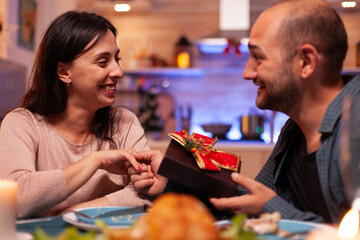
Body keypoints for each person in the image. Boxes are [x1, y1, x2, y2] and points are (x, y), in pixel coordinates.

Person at [128, 0, 360, 223]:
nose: (247, 73)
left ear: (306, 62)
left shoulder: (355, 125)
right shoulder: (294, 132)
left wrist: (270, 207)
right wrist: (171, 181)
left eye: (258, 58)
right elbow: (248, 204)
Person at [0, 11, 151, 219]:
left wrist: (74, 212)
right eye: (102, 61)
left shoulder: (123, 123)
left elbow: (146, 194)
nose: (118, 71)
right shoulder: (22, 124)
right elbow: (13, 200)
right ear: (64, 72)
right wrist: (95, 161)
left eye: (117, 59)